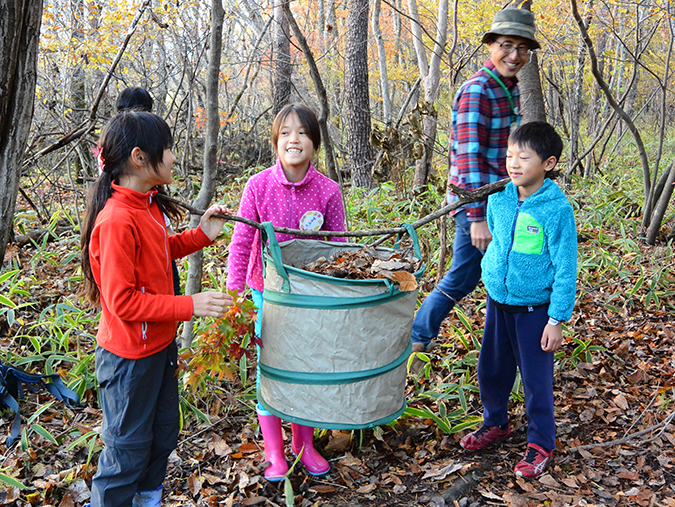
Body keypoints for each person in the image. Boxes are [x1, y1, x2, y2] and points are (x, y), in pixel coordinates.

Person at [81, 111, 233, 507]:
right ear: (139, 157)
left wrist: (200, 236)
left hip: (158, 349)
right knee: (127, 449)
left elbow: (158, 252)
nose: (172, 158)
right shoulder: (116, 219)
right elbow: (122, 301)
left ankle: (147, 499)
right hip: (128, 359)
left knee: (164, 433)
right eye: (167, 150)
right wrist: (190, 305)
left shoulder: (147, 206)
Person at [410, 7, 541, 371]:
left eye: (522, 48)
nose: (514, 55)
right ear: (491, 46)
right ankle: (415, 341)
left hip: (500, 202)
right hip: (478, 208)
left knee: (500, 274)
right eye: (506, 45)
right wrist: (476, 217)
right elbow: (468, 159)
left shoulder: (508, 89)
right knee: (464, 275)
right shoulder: (478, 90)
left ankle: (504, 349)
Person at [226, 103, 346, 481]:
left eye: (303, 133)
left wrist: (336, 296)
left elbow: (339, 247)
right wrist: (235, 296)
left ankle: (304, 444)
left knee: (306, 371)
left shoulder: (328, 190)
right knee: (272, 371)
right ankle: (274, 452)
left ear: (315, 142)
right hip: (267, 295)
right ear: (276, 141)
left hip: (311, 298)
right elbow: (241, 242)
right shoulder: (258, 186)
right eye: (286, 133)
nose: (294, 140)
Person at [459, 121, 577, 478]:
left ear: (548, 163)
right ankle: (496, 423)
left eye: (523, 157)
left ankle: (542, 442)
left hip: (535, 312)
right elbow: (497, 241)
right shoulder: (500, 196)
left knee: (535, 380)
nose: (513, 163)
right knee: (491, 370)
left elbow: (566, 267)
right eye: (510, 155)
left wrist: (556, 320)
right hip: (499, 304)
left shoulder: (556, 211)